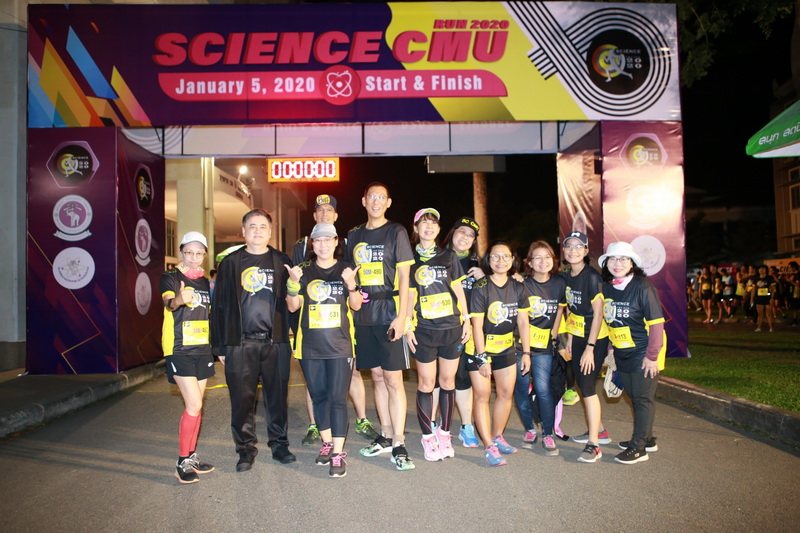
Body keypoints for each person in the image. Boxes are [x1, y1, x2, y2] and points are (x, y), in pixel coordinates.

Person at [210, 209, 296, 472]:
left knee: (277, 398)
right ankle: (245, 449)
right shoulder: (230, 263)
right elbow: (219, 305)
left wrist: (294, 338)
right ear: (243, 231)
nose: (257, 231)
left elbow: (293, 301)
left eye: (262, 227)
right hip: (240, 343)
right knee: (241, 400)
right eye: (252, 226)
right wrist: (220, 346)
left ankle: (279, 444)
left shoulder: (282, 261)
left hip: (276, 342)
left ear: (270, 232)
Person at [291, 194, 379, 446]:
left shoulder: (347, 246)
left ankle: (361, 419)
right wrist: (292, 286)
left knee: (351, 376)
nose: (324, 214)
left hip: (342, 329)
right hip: (311, 327)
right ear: (314, 216)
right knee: (315, 385)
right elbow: (294, 295)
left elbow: (356, 298)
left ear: (336, 216)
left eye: (329, 210)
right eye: (320, 210)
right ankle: (316, 426)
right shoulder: (302, 247)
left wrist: (352, 286)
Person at [347, 182, 416, 471]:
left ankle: (399, 442)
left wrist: (402, 317)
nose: (376, 201)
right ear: (363, 201)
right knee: (376, 376)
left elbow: (405, 277)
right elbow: (351, 276)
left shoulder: (396, 231)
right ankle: (385, 435)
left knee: (393, 379)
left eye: (381, 197)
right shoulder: (354, 235)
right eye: (371, 196)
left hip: (389, 312)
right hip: (364, 315)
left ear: (388, 202)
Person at [285, 223, 363, 478]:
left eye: (328, 239)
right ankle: (327, 442)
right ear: (312, 244)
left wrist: (351, 285)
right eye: (318, 240)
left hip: (340, 346)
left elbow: (356, 305)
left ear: (336, 242)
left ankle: (338, 453)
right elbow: (293, 306)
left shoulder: (346, 269)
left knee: (338, 398)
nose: (323, 244)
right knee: (318, 396)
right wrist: (293, 284)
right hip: (310, 346)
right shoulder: (303, 271)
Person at [405, 208, 471, 461]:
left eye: (433, 223)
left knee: (448, 382)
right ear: (416, 228)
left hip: (451, 328)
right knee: (425, 384)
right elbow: (409, 295)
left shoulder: (448, 255)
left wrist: (466, 319)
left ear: (439, 229)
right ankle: (428, 438)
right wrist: (408, 326)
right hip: (424, 330)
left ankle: (444, 434)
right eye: (424, 223)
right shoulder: (410, 260)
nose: (429, 227)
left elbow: (458, 289)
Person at [599, 241, 665, 464]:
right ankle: (646, 439)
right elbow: (610, 321)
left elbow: (656, 323)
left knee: (643, 399)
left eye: (623, 259)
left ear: (632, 263)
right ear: (607, 263)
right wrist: (611, 350)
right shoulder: (608, 287)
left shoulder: (643, 286)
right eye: (613, 259)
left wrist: (652, 356)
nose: (618, 263)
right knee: (634, 397)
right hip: (621, 351)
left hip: (643, 351)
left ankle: (638, 448)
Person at [160, 231, 216, 484]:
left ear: (204, 254)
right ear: (181, 252)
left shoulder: (205, 282)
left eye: (199, 253)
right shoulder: (170, 277)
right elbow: (169, 303)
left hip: (201, 348)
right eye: (189, 252)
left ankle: (191, 456)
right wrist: (178, 300)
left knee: (197, 406)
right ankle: (182, 461)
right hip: (179, 348)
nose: (193, 257)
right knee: (193, 404)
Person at [468, 241, 529, 466]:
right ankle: (488, 445)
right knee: (482, 395)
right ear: (488, 260)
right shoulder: (481, 286)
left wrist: (527, 352)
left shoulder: (518, 286)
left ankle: (497, 436)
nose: (500, 261)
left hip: (506, 348)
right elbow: (476, 326)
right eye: (495, 256)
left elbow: (523, 322)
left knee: (505, 393)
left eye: (505, 256)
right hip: (480, 348)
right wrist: (482, 357)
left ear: (513, 260)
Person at [560, 231, 612, 463]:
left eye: (578, 246)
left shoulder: (591, 277)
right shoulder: (567, 275)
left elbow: (598, 314)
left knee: (588, 386)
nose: (573, 250)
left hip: (595, 338)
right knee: (581, 383)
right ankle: (599, 430)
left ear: (586, 251)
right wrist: (571, 338)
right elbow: (571, 309)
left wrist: (590, 347)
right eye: (569, 246)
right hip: (579, 335)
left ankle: (594, 444)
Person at [438, 216, 483, 448]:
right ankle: (436, 424)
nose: (465, 237)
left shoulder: (479, 265)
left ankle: (467, 426)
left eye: (471, 235)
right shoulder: (436, 257)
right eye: (461, 231)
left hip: (465, 329)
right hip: (437, 327)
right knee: (437, 378)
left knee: (462, 377)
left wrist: (484, 278)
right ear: (452, 232)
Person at [519, 240, 566, 457]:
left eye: (547, 257)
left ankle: (548, 433)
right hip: (520, 345)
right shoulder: (521, 284)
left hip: (544, 346)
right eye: (537, 257)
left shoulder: (559, 284)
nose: (542, 261)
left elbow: (560, 310)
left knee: (543, 388)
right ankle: (530, 429)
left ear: (553, 260)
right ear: (529, 262)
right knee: (521, 389)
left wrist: (554, 336)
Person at [753, 265, 776, 333]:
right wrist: (752, 298)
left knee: (769, 314)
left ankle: (771, 328)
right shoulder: (756, 279)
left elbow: (773, 289)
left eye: (763, 269)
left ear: (766, 270)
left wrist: (772, 298)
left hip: (768, 298)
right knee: (760, 314)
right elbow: (754, 289)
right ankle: (759, 328)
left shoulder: (770, 278)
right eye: (760, 269)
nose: (761, 270)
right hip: (759, 298)